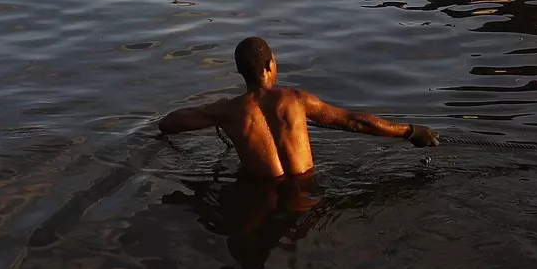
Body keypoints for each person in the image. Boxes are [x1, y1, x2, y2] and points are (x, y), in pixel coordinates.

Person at [157, 36, 439, 179]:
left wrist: (204, 112)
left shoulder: (226, 110)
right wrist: (411, 131)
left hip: (260, 196)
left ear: (240, 72)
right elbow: (355, 122)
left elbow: (171, 123)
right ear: (269, 66)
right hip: (306, 191)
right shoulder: (296, 100)